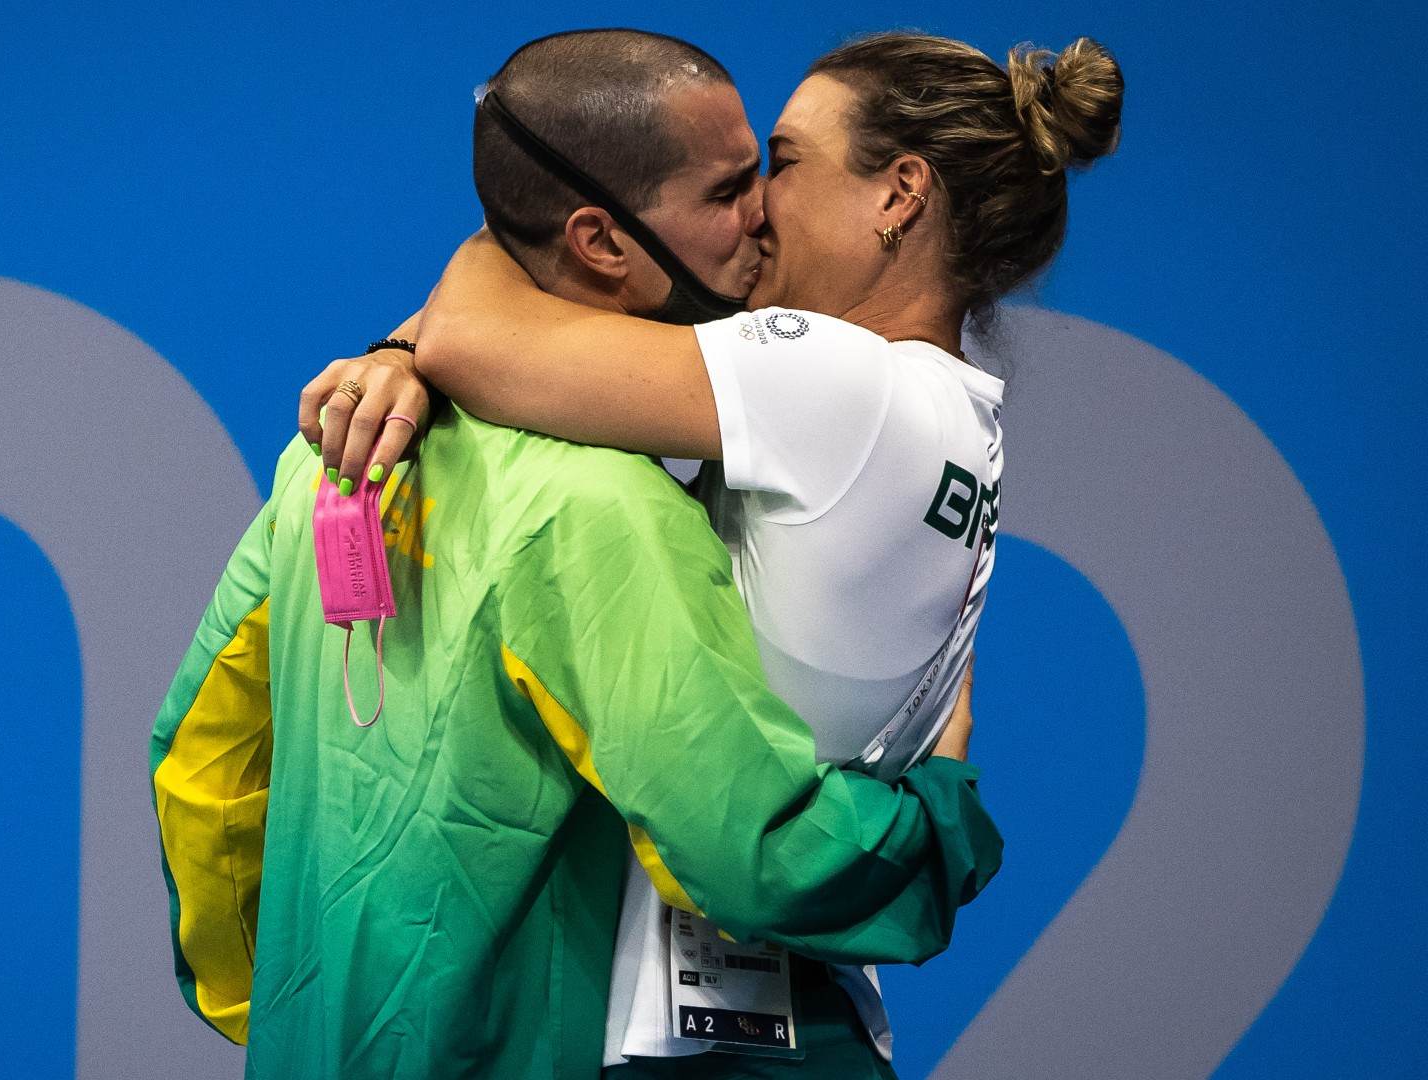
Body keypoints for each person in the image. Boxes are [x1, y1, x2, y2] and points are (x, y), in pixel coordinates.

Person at [155, 30, 1003, 1080]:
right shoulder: (609, 511)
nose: (765, 218)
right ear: (602, 241)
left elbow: (201, 768)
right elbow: (751, 852)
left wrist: (294, 1001)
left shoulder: (329, 460)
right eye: (738, 186)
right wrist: (942, 824)